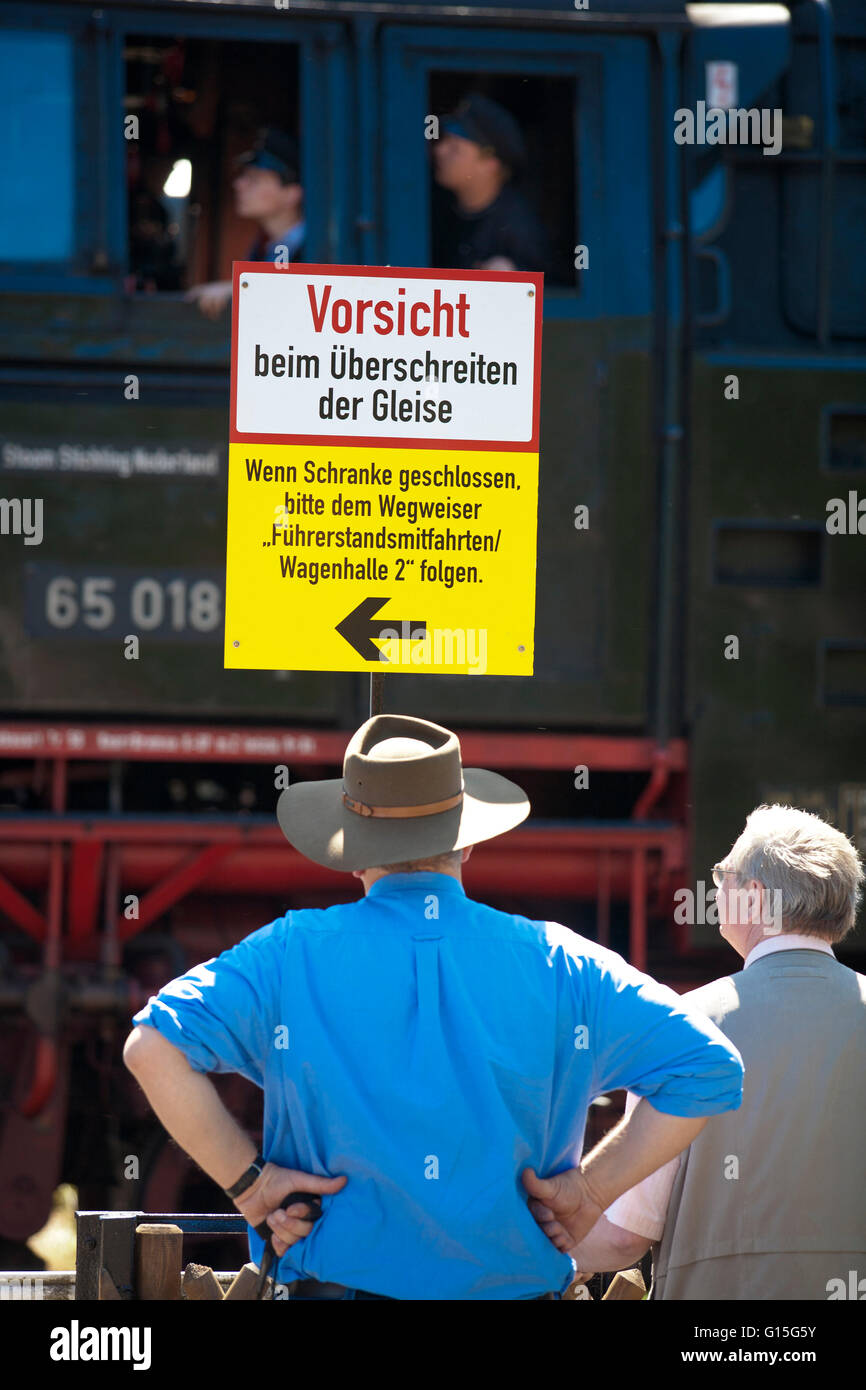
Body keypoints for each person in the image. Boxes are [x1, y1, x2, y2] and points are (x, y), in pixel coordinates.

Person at [123, 714, 744, 1300]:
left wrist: (250, 1186)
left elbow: (151, 1046)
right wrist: (590, 1191)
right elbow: (710, 1068)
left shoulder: (289, 953)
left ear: (354, 852)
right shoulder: (561, 961)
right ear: (467, 844)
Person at [529, 804, 866, 1300]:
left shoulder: (687, 1024)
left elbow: (625, 1235)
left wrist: (527, 1257)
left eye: (722, 875)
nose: (713, 889)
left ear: (753, 898)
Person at [185, 127, 305, 320]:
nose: (239, 185)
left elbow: (302, 302)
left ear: (292, 194)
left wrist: (241, 291)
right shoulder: (265, 246)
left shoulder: (315, 250)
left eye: (254, 179)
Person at [431, 93, 550, 274]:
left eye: (455, 148)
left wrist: (515, 272)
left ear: (489, 164)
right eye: (443, 141)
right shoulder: (436, 208)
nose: (439, 150)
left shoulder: (517, 227)